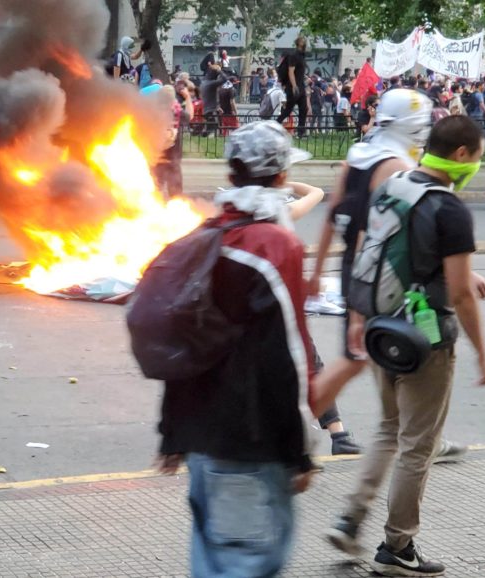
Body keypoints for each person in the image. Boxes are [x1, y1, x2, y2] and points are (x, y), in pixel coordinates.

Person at [325, 114, 485, 577]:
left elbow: (367, 251)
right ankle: (397, 547)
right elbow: (459, 293)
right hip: (426, 339)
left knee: (388, 428)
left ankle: (351, 515)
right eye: (479, 155)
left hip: (383, 328)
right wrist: (482, 352)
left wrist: (359, 316)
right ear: (461, 155)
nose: (479, 163)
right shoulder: (450, 208)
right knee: (418, 446)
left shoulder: (395, 186)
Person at [152, 120, 318, 577]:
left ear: (232, 173)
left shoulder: (206, 236)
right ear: (282, 177)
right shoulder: (275, 246)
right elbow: (287, 356)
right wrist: (299, 450)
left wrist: (172, 432)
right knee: (244, 565)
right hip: (251, 444)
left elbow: (183, 345)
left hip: (202, 441)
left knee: (212, 562)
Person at [277, 37, 310, 137]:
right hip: (293, 87)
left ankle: (300, 132)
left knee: (304, 109)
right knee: (287, 111)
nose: (304, 42)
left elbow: (299, 72)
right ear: (298, 43)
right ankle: (274, 126)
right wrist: (294, 86)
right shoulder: (293, 55)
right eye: (302, 41)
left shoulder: (302, 56)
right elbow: (290, 72)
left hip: (301, 86)